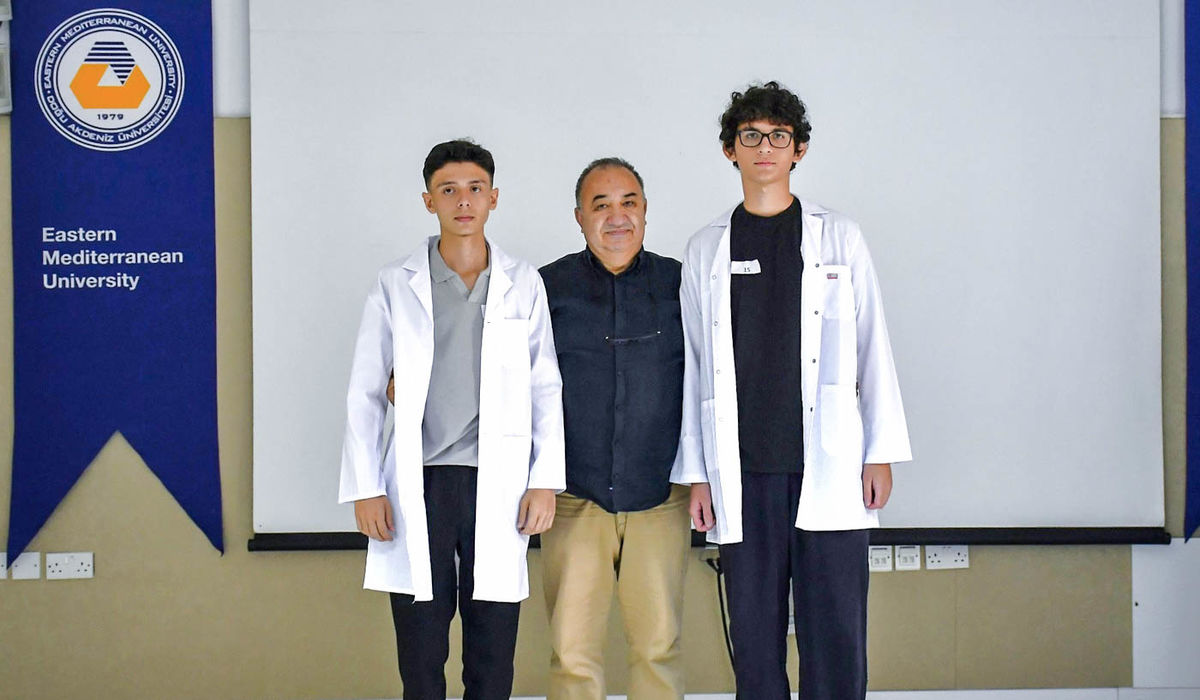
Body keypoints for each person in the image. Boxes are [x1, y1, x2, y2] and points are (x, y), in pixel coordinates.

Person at [674, 82, 912, 699]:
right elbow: (694, 366)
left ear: (799, 149)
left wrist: (879, 452)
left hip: (829, 465)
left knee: (835, 632)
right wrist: (698, 474)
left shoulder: (841, 237)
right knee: (754, 639)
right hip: (743, 470)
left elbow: (872, 344)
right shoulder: (706, 248)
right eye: (750, 136)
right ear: (730, 149)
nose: (765, 148)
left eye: (778, 137)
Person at [339, 139, 565, 700]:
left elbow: (545, 386)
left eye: (475, 189)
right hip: (421, 480)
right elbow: (365, 391)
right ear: (428, 201)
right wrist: (366, 487)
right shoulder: (396, 283)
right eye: (449, 190)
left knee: (492, 648)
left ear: (493, 198)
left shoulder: (522, 282)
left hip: (498, 479)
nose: (463, 201)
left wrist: (544, 481)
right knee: (421, 648)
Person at [538, 157, 690, 700]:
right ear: (579, 217)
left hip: (662, 497)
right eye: (600, 205)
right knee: (572, 654)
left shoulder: (682, 284)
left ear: (645, 211)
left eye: (628, 203)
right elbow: (506, 379)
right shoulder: (545, 289)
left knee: (658, 648)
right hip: (572, 497)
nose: (616, 216)